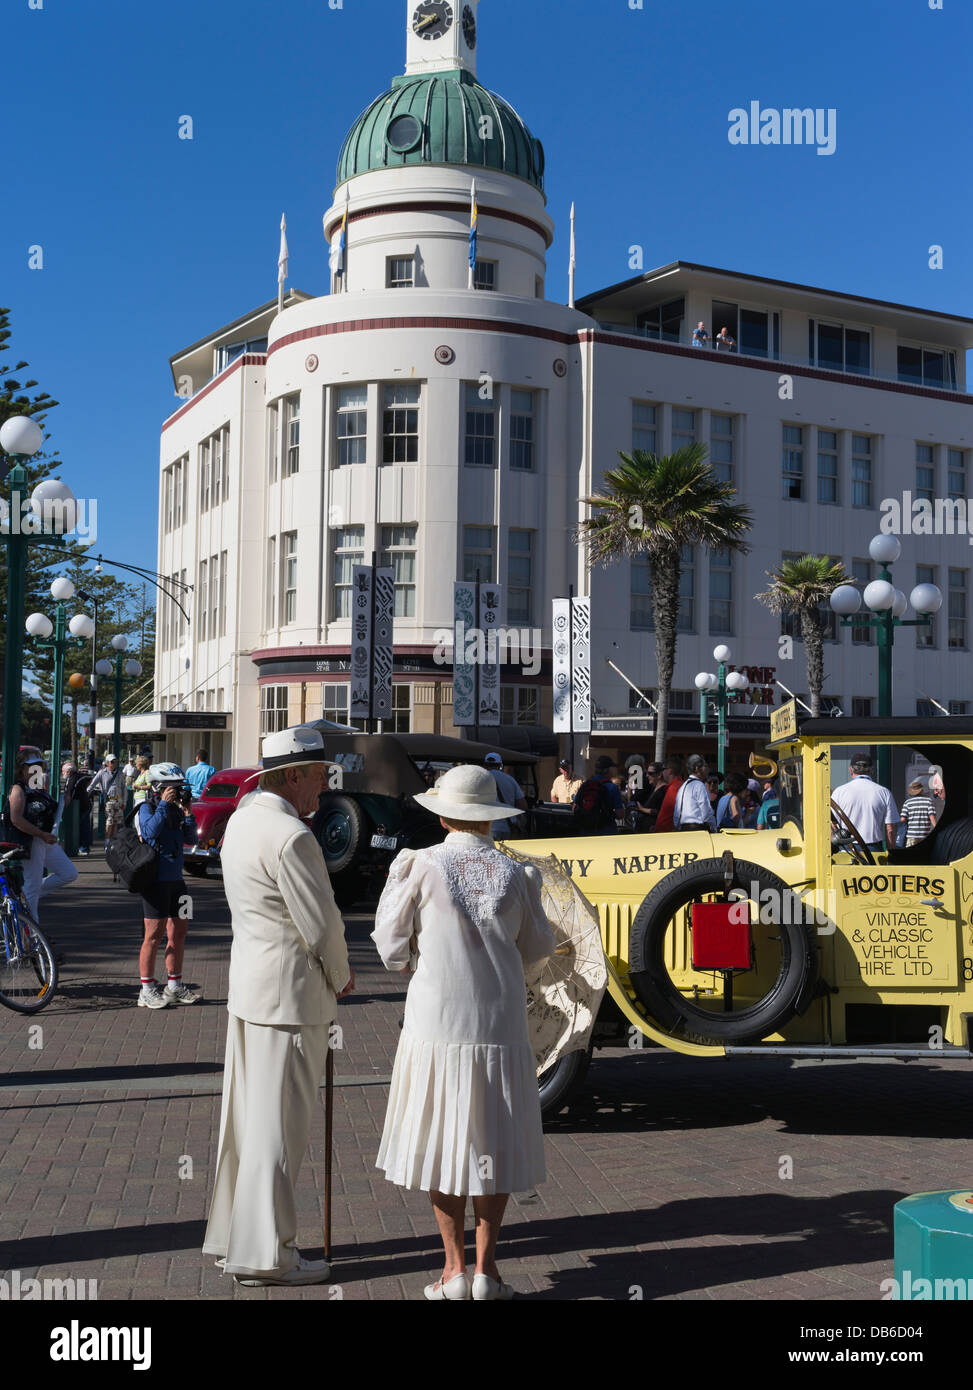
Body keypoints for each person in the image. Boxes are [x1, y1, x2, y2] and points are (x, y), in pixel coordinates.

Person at [371, 764, 555, 1300]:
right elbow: (539, 951)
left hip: (437, 1018)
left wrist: (413, 960)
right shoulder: (519, 875)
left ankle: (452, 1270)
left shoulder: (419, 864)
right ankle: (487, 1271)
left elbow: (388, 946)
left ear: (444, 812)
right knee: (493, 1135)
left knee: (440, 1135)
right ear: (490, 818)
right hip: (499, 1020)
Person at [203, 728, 352, 1287]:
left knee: (245, 1123)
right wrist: (340, 974)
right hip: (289, 998)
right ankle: (268, 1254)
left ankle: (236, 1238)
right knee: (278, 1132)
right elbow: (321, 922)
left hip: (251, 989)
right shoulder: (292, 835)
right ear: (292, 775)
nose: (323, 784)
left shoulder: (242, 820)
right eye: (318, 773)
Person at [137, 764, 200, 1009]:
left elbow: (192, 839)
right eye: (172, 788)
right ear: (158, 788)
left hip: (178, 883)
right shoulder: (146, 808)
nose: (176, 792)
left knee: (179, 933)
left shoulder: (175, 810)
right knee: (153, 936)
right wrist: (163, 804)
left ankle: (174, 986)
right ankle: (147, 990)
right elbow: (150, 832)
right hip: (155, 884)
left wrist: (188, 813)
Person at [4, 753, 79, 922]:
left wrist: (63, 802)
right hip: (30, 841)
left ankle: (26, 897)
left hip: (45, 840)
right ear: (23, 769)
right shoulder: (18, 789)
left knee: (68, 873)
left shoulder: (37, 788)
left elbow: (48, 809)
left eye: (40, 765)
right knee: (32, 886)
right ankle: (30, 935)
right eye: (33, 766)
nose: (38, 769)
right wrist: (41, 834)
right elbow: (16, 819)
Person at [831, 753, 898, 852]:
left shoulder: (839, 792)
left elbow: (832, 826)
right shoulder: (884, 792)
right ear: (872, 770)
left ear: (851, 770)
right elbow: (890, 830)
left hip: (846, 849)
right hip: (874, 849)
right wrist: (891, 854)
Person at [573, 755, 624, 833]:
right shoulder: (613, 788)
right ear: (608, 770)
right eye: (612, 768)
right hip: (607, 831)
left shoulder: (585, 785)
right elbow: (620, 814)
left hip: (586, 831)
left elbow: (574, 808)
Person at [484, 752, 526, 839]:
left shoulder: (480, 780)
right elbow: (522, 805)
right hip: (508, 826)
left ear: (485, 765)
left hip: (487, 827)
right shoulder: (510, 780)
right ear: (500, 765)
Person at [88, 753, 127, 846]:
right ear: (107, 763)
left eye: (115, 762)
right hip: (109, 801)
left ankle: (113, 842)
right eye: (112, 762)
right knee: (109, 821)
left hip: (118, 800)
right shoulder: (102, 773)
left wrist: (124, 802)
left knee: (116, 822)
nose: (114, 764)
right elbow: (93, 784)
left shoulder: (120, 773)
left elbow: (124, 788)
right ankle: (107, 841)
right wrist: (86, 792)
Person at [673, 754, 716, 832]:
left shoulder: (683, 786)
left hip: (683, 828)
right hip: (697, 829)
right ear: (697, 768)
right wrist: (713, 828)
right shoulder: (699, 785)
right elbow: (706, 812)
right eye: (705, 766)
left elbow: (676, 813)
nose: (708, 769)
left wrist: (678, 827)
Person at [61, 761, 93, 857]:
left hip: (80, 807)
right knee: (84, 827)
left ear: (68, 772)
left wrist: (64, 806)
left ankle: (83, 848)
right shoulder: (80, 776)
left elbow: (69, 794)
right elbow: (89, 778)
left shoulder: (72, 779)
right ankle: (84, 848)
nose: (62, 773)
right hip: (85, 805)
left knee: (81, 828)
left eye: (63, 771)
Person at [900, 780, 938, 848]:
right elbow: (932, 818)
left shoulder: (907, 802)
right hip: (925, 835)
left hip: (911, 835)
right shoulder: (928, 801)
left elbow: (903, 819)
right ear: (922, 790)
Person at [653, 756, 684, 834]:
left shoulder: (674, 788)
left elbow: (678, 813)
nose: (662, 772)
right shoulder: (676, 786)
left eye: (663, 769)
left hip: (667, 835)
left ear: (670, 771)